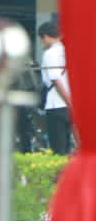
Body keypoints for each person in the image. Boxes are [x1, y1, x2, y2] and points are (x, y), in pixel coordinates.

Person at [39, 19, 71, 155]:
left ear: (45, 36)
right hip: (69, 106)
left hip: (56, 104)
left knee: (58, 149)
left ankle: (59, 176)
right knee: (68, 147)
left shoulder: (49, 54)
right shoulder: (67, 51)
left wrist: (69, 102)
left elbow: (56, 80)